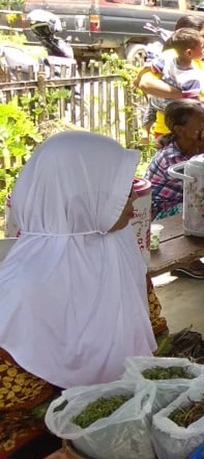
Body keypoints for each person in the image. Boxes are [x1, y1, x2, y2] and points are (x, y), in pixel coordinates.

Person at [0, 132, 158, 459]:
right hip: (39, 433)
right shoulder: (24, 286)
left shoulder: (120, 249)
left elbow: (153, 336)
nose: (131, 203)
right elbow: (14, 407)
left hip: (117, 416)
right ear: (81, 199)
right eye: (119, 194)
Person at [143, 101, 204, 280]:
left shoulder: (193, 149)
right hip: (162, 217)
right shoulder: (171, 158)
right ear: (180, 130)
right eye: (201, 121)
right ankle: (186, 261)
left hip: (183, 204)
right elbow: (202, 190)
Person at [137, 15, 204, 138]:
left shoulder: (195, 62)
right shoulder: (173, 57)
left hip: (196, 132)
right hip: (175, 134)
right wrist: (187, 96)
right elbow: (145, 83)